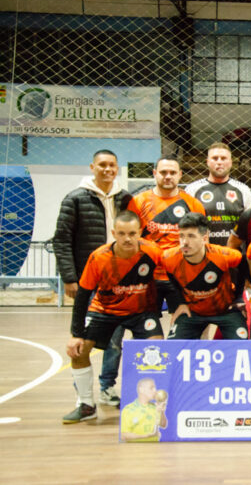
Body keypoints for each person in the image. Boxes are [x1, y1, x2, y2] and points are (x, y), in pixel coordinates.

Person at [53, 149, 137, 408]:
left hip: (120, 282)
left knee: (115, 340)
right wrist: (69, 277)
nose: (107, 169)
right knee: (84, 341)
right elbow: (62, 240)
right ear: (92, 167)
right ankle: (83, 397)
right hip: (88, 281)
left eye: (112, 165)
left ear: (117, 168)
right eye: (102, 165)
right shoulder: (75, 199)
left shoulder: (125, 198)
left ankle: (107, 387)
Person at [62, 211, 164, 424]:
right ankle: (86, 405)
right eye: (122, 233)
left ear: (140, 233)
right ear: (113, 233)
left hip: (141, 312)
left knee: (157, 350)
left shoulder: (153, 252)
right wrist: (75, 334)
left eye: (132, 233)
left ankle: (149, 404)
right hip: (105, 310)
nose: (127, 238)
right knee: (78, 351)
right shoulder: (99, 257)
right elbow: (82, 297)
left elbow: (166, 284)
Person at [133, 156, 206, 316]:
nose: (168, 176)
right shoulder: (138, 202)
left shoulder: (193, 204)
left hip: (182, 277)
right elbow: (130, 240)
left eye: (172, 172)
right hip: (148, 276)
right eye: (163, 172)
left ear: (180, 174)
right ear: (154, 173)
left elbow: (203, 242)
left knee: (185, 327)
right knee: (144, 328)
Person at [163, 213, 247, 340]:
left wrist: (239, 298)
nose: (185, 242)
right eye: (181, 236)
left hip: (226, 310)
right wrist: (180, 303)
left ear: (204, 238)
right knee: (173, 347)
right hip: (193, 312)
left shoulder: (222, 255)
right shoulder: (169, 258)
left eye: (191, 236)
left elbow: (243, 264)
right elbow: (171, 278)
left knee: (242, 348)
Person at [185, 143, 251, 246]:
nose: (219, 162)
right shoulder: (192, 190)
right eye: (215, 158)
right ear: (207, 162)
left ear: (230, 162)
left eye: (223, 158)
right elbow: (185, 224)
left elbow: (249, 225)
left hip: (235, 255)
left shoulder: (243, 190)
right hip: (204, 255)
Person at [120, 378, 168, 442]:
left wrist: (162, 411)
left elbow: (163, 425)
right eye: (151, 388)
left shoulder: (155, 407)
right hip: (134, 449)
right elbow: (123, 436)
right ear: (141, 390)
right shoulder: (128, 410)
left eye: (155, 388)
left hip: (154, 448)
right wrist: (145, 436)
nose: (155, 391)